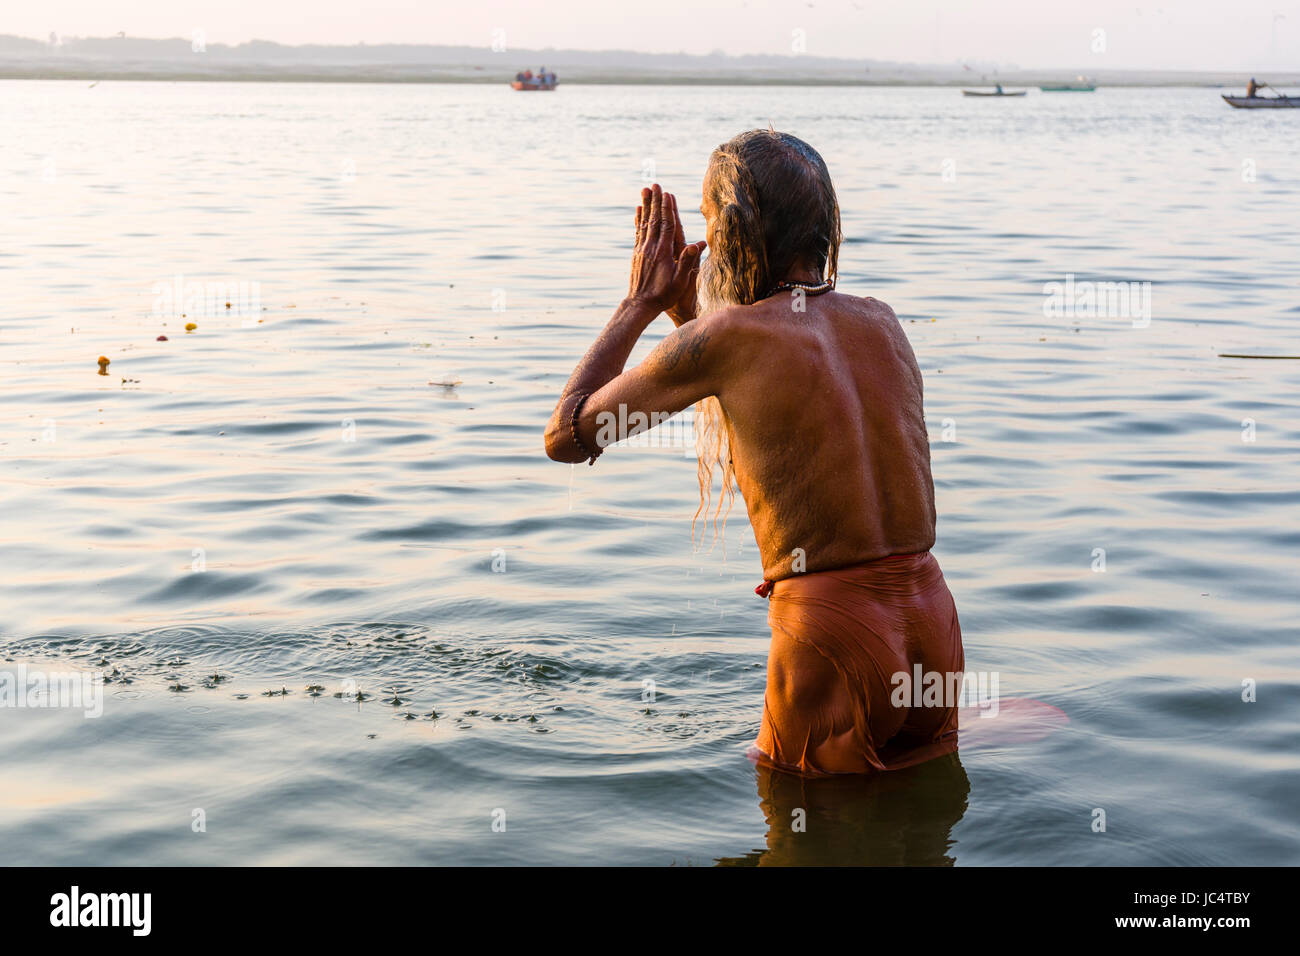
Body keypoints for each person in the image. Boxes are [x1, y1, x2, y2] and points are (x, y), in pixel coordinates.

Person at [544, 130, 964, 775]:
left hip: (831, 634)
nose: (706, 244)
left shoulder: (726, 340)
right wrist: (692, 322)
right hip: (931, 621)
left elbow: (567, 437)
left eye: (712, 225)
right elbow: (773, 407)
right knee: (920, 826)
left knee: (795, 831)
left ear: (737, 232)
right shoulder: (882, 321)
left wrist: (640, 303)